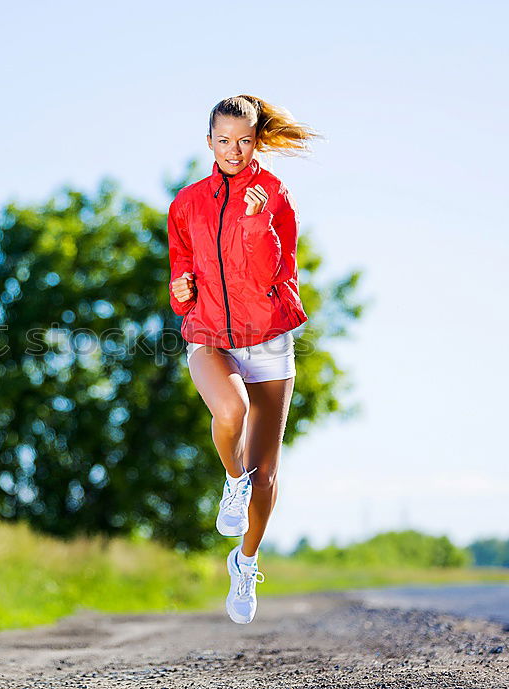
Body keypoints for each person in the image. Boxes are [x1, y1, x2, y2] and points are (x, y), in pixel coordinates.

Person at [167, 94, 320, 624]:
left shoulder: (274, 194)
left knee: (268, 474)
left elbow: (277, 276)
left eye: (244, 140)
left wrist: (258, 225)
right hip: (210, 332)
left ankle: (246, 560)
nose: (234, 150)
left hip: (269, 337)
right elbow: (179, 281)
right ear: (209, 141)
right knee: (228, 413)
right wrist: (180, 289)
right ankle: (231, 479)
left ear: (257, 143)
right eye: (224, 140)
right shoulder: (186, 203)